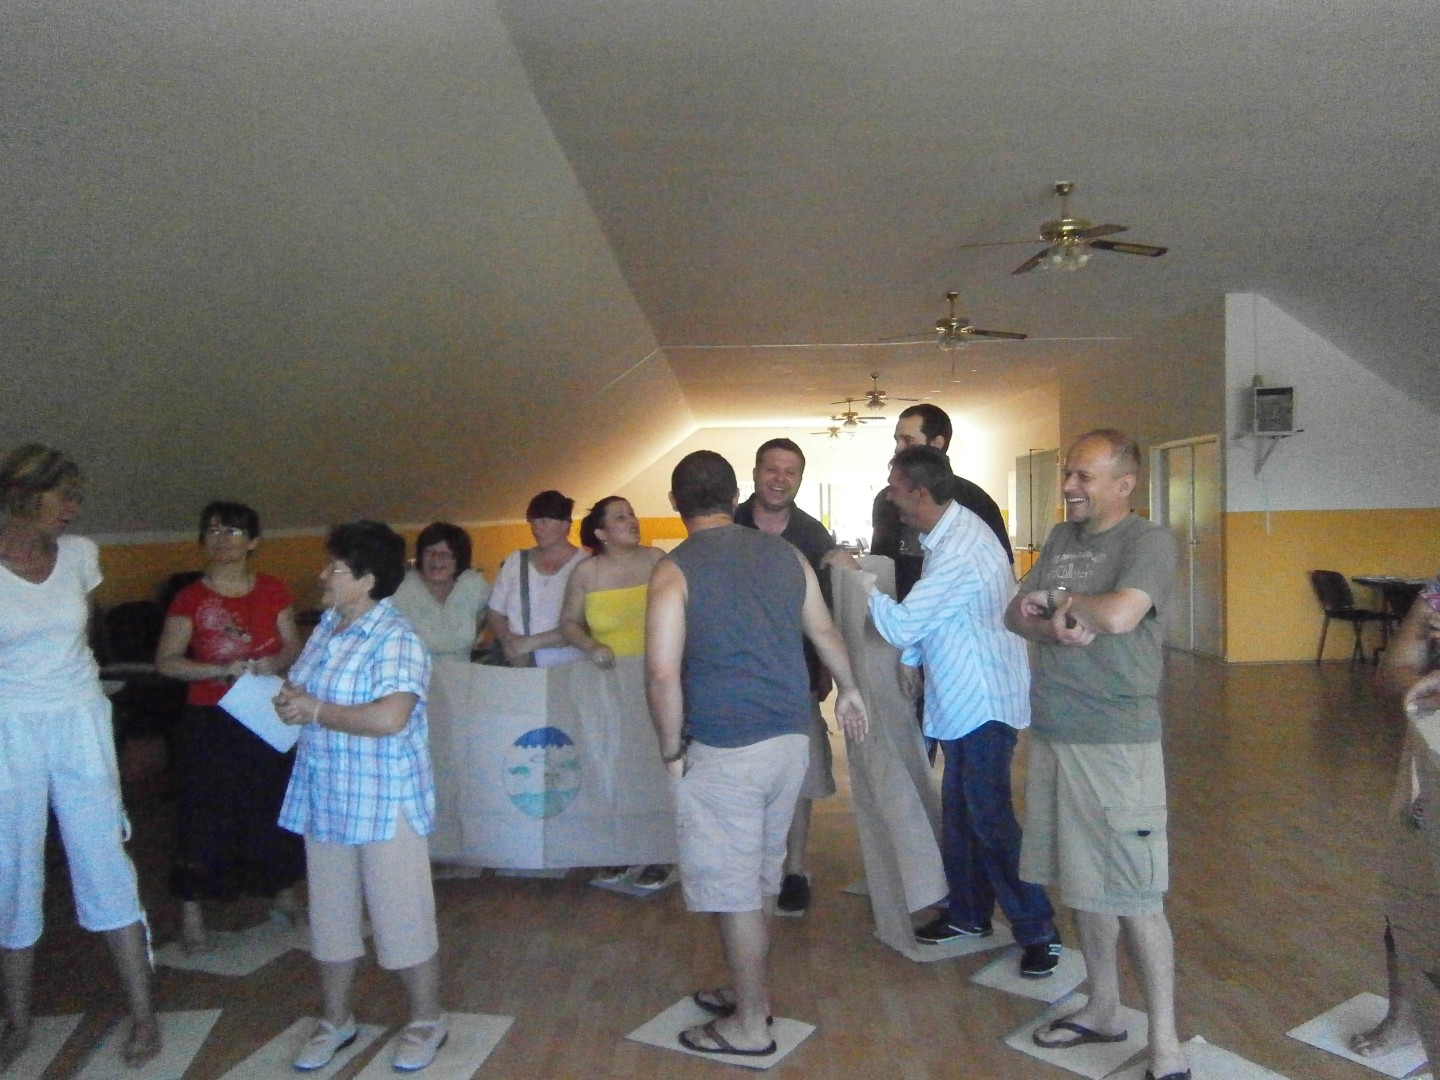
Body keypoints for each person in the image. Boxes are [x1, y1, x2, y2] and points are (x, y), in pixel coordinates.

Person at [646, 450, 868, 1057]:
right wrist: (849, 690)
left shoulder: (673, 569)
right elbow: (824, 631)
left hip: (725, 747)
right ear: (735, 494)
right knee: (762, 875)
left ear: (675, 502)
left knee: (733, 888)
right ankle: (752, 993)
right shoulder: (786, 554)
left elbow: (662, 674)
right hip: (790, 738)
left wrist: (670, 750)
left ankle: (748, 1025)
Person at [1004, 429, 1187, 1080]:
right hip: (1056, 731)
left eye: (1083, 476)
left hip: (1116, 743)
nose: (1069, 487)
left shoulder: (1149, 542)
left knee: (1137, 894)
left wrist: (1058, 604)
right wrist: (1052, 621)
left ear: (1123, 483)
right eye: (1068, 474)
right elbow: (1013, 614)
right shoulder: (1061, 538)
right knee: (1083, 884)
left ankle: (1166, 1046)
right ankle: (1104, 1006)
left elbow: (1121, 615)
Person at [868, 446, 1061, 975]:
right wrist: (913, 659)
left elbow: (904, 623)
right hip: (961, 699)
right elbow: (939, 613)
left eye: (896, 489)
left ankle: (1038, 929)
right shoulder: (945, 537)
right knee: (960, 814)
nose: (891, 498)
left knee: (989, 818)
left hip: (983, 702)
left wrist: (859, 582)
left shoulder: (962, 546)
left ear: (920, 493)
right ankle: (970, 913)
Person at [0, 443, 160, 1069]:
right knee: (12, 868)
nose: (73, 508)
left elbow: (90, 636)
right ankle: (17, 1022)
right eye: (63, 496)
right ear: (24, 494)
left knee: (105, 860)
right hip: (10, 727)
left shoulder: (80, 555)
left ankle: (144, 1015)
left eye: (76, 497)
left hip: (80, 719)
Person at [272, 522, 446, 1073]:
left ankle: (427, 1020)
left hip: (383, 797)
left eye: (336, 568)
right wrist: (289, 700)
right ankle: (335, 1019)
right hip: (326, 792)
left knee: (402, 913)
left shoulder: (395, 638)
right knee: (330, 914)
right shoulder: (327, 627)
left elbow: (391, 717)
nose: (323, 574)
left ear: (368, 580)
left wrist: (315, 710)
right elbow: (306, 690)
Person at [154, 500, 304, 952]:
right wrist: (218, 670)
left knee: (273, 802)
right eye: (214, 530)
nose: (222, 539)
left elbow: (293, 645)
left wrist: (273, 662)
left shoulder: (273, 589)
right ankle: (192, 912)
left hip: (264, 713)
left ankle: (282, 890)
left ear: (252, 542)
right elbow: (167, 661)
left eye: (233, 531)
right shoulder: (189, 597)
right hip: (210, 718)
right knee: (203, 812)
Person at [733, 438, 847, 915]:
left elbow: (827, 613)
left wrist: (826, 670)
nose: (779, 479)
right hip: (735, 677)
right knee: (741, 776)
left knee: (799, 776)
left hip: (794, 677)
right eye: (771, 469)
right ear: (755, 472)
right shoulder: (728, 526)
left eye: (790, 472)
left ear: (799, 479)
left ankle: (794, 870)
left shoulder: (811, 535)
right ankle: (747, 866)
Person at [1347, 574, 1440, 1059]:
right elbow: (1393, 671)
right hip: (1432, 769)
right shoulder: (1439, 592)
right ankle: (1406, 1017)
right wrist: (1426, 687)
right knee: (1412, 898)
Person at [559, 496, 669, 889]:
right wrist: (591, 646)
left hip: (659, 679)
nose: (632, 521)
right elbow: (569, 623)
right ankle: (622, 851)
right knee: (617, 767)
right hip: (609, 685)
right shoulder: (586, 572)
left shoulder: (658, 561)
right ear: (602, 532)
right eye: (620, 517)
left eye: (632, 514)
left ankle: (662, 853)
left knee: (659, 764)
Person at [871, 404, 1012, 601]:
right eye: (897, 440)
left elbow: (1002, 570)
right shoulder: (887, 500)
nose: (898, 448)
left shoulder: (976, 500)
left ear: (937, 443)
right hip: (895, 608)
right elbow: (878, 562)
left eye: (908, 441)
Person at [486, 491, 587, 668]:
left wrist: (529, 644)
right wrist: (510, 643)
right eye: (532, 522)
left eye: (544, 522)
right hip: (522, 669)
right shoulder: (515, 561)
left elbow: (587, 624)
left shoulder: (586, 564)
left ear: (565, 524)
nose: (536, 529)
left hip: (573, 668)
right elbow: (495, 612)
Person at [391, 522, 491, 660]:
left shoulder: (472, 584)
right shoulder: (401, 588)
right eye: (429, 552)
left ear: (459, 558)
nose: (436, 559)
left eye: (445, 554)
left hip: (461, 671)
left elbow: (493, 614)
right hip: (413, 670)